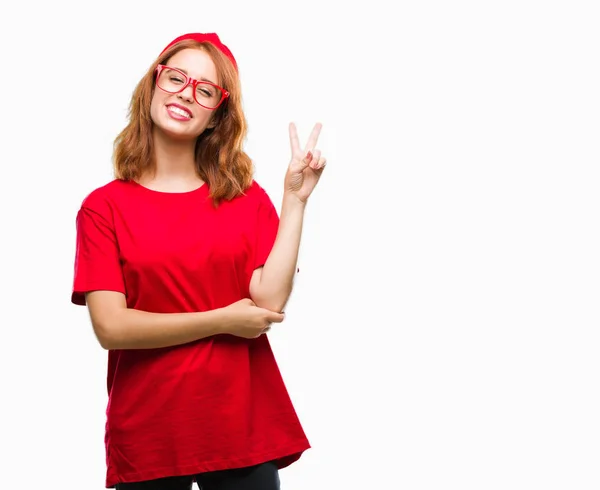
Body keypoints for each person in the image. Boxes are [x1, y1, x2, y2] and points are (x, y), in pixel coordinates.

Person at [71, 32, 327, 489]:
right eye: (176, 78)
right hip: (149, 433)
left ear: (215, 117)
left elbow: (268, 298)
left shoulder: (245, 200)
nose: (186, 93)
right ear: (153, 85)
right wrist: (220, 320)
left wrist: (295, 202)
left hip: (242, 426)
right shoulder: (103, 208)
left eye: (205, 90)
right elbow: (110, 327)